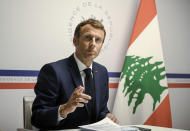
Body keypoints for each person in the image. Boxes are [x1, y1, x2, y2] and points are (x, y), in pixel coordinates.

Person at [31, 18, 118, 130]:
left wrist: (106, 117)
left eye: (98, 40)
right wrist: (65, 109)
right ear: (75, 41)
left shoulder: (102, 72)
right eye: (88, 38)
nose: (93, 44)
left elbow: (101, 111)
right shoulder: (53, 71)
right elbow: (37, 118)